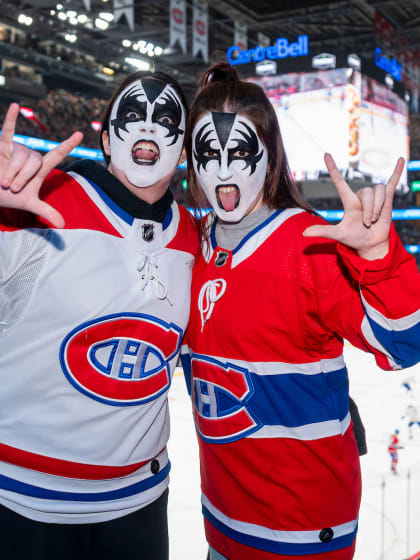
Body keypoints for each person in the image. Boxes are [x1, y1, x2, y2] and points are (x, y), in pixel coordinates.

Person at [180, 62, 420, 560]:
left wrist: (379, 260)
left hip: (303, 534)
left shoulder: (309, 244)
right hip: (220, 527)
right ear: (191, 162)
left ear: (270, 159)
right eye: (208, 153)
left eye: (241, 152)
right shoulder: (191, 245)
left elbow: (405, 343)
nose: (223, 169)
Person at [0, 70, 199, 560]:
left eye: (166, 118)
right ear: (108, 139)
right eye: (132, 116)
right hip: (23, 503)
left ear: (183, 148)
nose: (149, 128)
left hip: (140, 503)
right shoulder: (41, 199)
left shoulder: (196, 237)